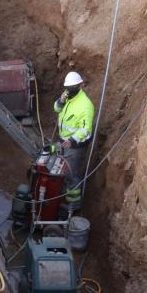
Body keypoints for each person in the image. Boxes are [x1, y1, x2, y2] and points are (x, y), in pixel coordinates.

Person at [53, 71, 94, 210]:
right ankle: (64, 194)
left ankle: (74, 206)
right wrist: (61, 100)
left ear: (79, 86)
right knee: (63, 171)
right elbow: (56, 109)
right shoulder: (68, 98)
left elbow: (85, 129)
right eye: (67, 88)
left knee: (72, 175)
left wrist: (72, 140)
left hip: (75, 146)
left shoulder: (85, 105)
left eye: (71, 88)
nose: (68, 90)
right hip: (64, 141)